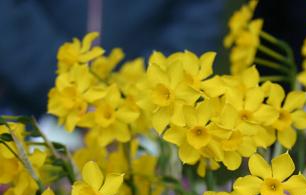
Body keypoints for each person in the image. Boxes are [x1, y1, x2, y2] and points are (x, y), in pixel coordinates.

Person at [0, 0, 224, 116]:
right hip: (35, 112)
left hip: (150, 119)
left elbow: (196, 19)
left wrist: (135, 98)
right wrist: (69, 93)